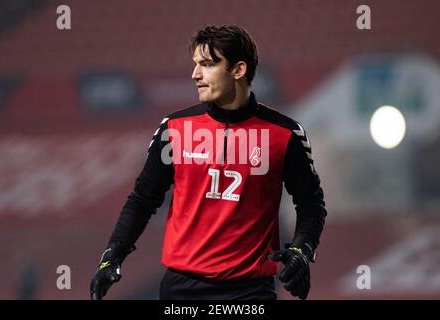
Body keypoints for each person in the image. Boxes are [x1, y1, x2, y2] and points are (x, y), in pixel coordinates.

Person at [90, 25, 327, 300]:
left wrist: (301, 250)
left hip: (250, 293)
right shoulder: (173, 129)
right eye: (195, 65)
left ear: (238, 70)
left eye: (208, 64)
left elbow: (311, 204)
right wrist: (112, 256)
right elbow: (143, 199)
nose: (195, 74)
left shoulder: (285, 133)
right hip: (181, 291)